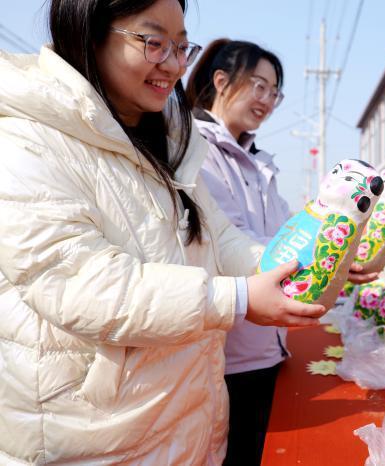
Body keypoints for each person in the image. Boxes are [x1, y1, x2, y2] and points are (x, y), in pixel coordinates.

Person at [0, 0, 325, 464]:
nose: (174, 65)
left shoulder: (169, 138)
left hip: (184, 416)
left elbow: (218, 236)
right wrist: (237, 298)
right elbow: (78, 282)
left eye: (182, 47)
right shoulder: (26, 140)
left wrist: (284, 266)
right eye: (154, 43)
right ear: (89, 32)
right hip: (94, 436)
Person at [186, 39, 378, 465]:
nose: (268, 100)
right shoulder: (196, 149)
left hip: (268, 345)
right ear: (221, 81)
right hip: (228, 353)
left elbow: (286, 234)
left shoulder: (259, 162)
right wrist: (319, 261)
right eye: (259, 86)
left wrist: (337, 257)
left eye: (275, 91)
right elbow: (229, 238)